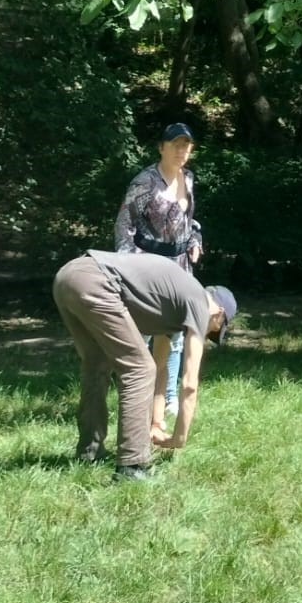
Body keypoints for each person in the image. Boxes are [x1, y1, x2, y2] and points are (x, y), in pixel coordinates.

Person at [52, 248, 236, 481]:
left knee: (97, 364)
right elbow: (189, 384)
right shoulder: (200, 303)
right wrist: (179, 438)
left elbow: (160, 368)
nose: (209, 332)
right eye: (215, 330)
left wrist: (157, 423)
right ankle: (132, 465)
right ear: (219, 313)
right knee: (138, 369)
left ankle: (90, 452)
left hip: (69, 276)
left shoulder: (174, 302)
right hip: (96, 280)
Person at [115, 122, 203, 424]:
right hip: (146, 265)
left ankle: (168, 400)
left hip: (179, 267)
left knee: (175, 333)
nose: (182, 150)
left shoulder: (188, 179)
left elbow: (190, 221)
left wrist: (194, 241)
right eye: (175, 144)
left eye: (187, 145)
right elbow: (124, 224)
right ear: (161, 147)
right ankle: (135, 399)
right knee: (140, 334)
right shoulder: (145, 182)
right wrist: (127, 267)